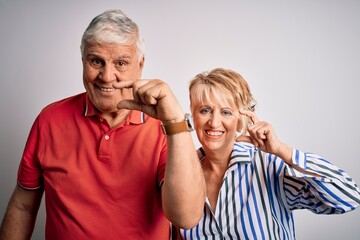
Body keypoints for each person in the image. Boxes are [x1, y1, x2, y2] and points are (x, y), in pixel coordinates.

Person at [0, 9, 206, 239]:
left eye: (120, 63)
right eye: (96, 61)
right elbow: (23, 206)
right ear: (82, 61)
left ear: (140, 65)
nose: (107, 76)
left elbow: (186, 217)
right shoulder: (49, 120)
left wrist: (175, 122)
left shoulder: (165, 128)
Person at [175, 68, 360, 239]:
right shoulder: (180, 174)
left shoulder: (268, 165)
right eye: (205, 110)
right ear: (192, 116)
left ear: (242, 119)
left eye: (226, 112)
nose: (214, 123)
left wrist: (282, 150)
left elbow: (349, 197)